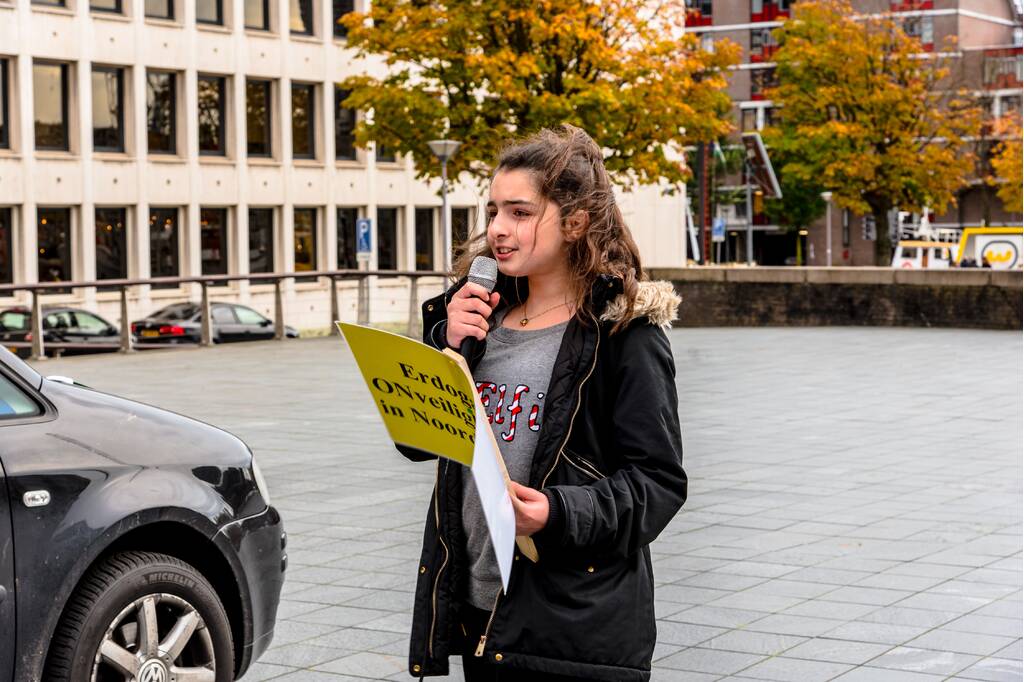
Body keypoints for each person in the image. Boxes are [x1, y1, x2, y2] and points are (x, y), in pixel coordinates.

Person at [399, 125, 687, 682]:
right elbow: (415, 443)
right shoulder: (477, 322)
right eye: (491, 212)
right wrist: (445, 348)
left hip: (571, 625)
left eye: (520, 212)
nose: (497, 230)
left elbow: (658, 484)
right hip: (482, 612)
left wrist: (556, 514)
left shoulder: (624, 336)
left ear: (575, 222)